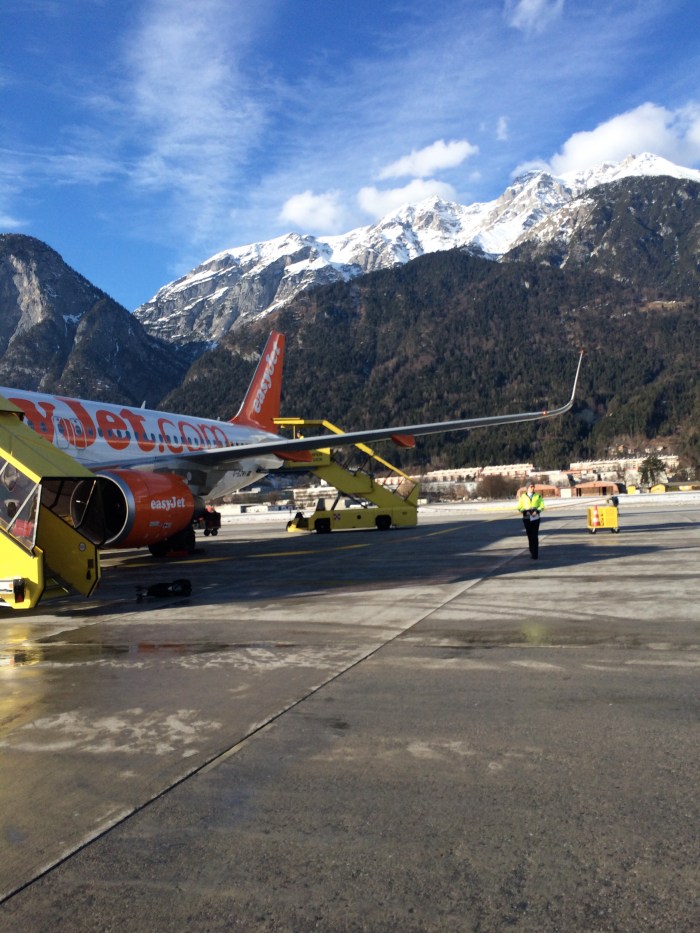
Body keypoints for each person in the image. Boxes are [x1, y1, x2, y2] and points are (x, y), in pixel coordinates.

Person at [517, 482, 545, 559]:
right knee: (530, 536)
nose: (532, 488)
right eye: (531, 487)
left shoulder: (538, 496)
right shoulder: (523, 497)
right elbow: (519, 507)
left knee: (535, 536)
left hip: (535, 518)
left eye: (533, 487)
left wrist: (537, 511)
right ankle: (531, 550)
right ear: (527, 488)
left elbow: (542, 506)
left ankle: (535, 554)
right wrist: (526, 511)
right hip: (527, 518)